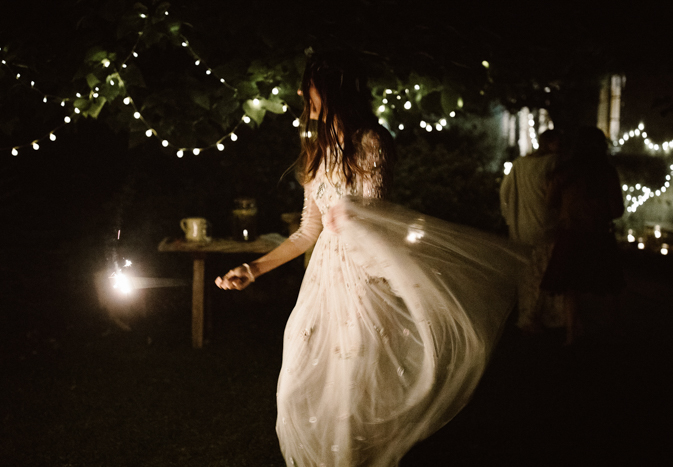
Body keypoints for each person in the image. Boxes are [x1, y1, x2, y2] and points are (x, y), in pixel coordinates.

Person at [216, 51, 524, 466]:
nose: (306, 104)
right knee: (296, 385)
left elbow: (377, 220)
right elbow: (309, 231)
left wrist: (360, 229)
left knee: (354, 390)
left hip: (363, 278)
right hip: (323, 283)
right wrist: (254, 268)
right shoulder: (317, 152)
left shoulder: (369, 143)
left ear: (333, 94)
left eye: (311, 96)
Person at [540, 127, 625, 345]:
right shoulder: (606, 172)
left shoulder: (565, 172)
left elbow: (549, 202)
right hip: (599, 233)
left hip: (571, 233)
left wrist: (569, 206)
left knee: (571, 285)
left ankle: (571, 334)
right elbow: (617, 210)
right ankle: (612, 331)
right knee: (608, 285)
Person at [500, 130, 565, 333]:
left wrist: (510, 218)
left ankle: (528, 316)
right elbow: (555, 193)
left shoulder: (520, 164)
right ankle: (550, 316)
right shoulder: (554, 163)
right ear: (551, 144)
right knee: (547, 272)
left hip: (522, 227)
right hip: (546, 226)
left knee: (528, 275)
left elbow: (505, 192)